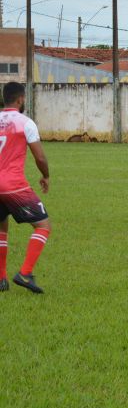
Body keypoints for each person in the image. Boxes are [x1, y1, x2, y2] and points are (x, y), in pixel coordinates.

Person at [0, 82, 51, 293]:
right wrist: (45, 175)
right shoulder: (25, 122)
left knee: (1, 228)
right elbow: (39, 156)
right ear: (20, 99)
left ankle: (1, 278)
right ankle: (25, 273)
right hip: (12, 185)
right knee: (43, 225)